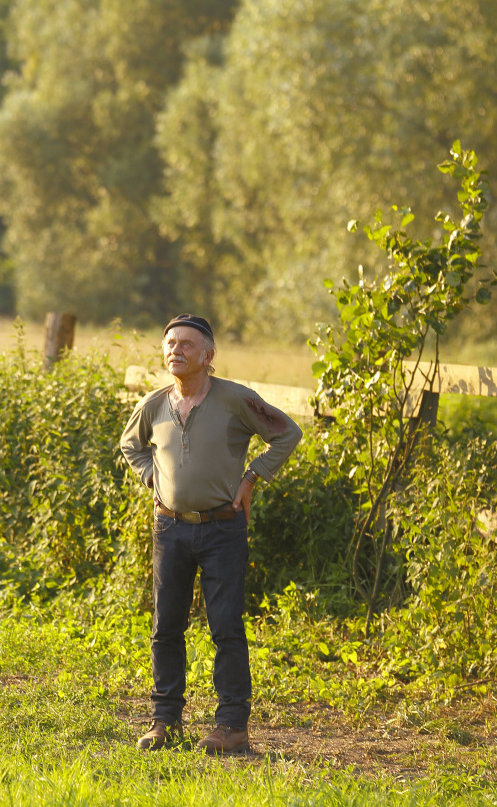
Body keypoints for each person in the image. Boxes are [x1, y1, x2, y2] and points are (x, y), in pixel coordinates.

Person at [119, 314, 303, 754]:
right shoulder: (154, 404)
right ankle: (165, 721)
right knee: (166, 627)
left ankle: (232, 727)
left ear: (208, 355)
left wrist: (252, 477)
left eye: (186, 344)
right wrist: (154, 479)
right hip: (170, 528)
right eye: (169, 343)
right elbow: (131, 445)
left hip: (223, 529)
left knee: (225, 628)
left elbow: (287, 433)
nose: (175, 350)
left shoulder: (235, 400)